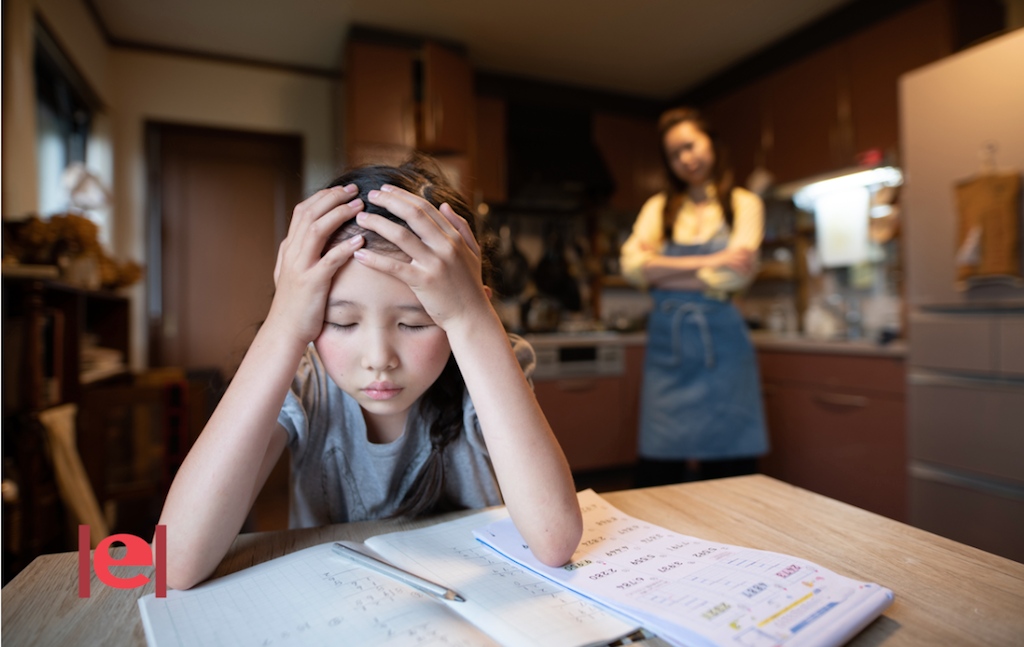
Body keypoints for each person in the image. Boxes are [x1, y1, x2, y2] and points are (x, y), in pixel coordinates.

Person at [158, 158, 582, 590]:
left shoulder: (489, 365)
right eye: (342, 322)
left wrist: (474, 320)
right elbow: (175, 562)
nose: (379, 358)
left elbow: (555, 540)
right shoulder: (308, 383)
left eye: (414, 323)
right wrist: (282, 327)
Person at [619, 107, 769, 487]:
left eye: (691, 146)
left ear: (712, 143)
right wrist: (716, 259)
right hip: (669, 351)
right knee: (657, 473)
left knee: (733, 474)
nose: (686, 159)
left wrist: (662, 272)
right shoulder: (658, 208)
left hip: (725, 350)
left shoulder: (744, 204)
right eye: (674, 154)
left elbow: (736, 274)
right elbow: (631, 267)